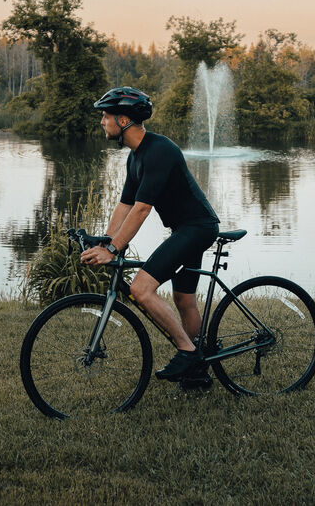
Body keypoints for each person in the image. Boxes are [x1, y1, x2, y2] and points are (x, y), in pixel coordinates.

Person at [79, 86, 221, 386]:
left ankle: (187, 351)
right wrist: (106, 240)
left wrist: (115, 250)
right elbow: (126, 205)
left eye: (106, 116)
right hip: (186, 228)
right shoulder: (136, 157)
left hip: (197, 227)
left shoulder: (159, 151)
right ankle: (198, 370)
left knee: (141, 289)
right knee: (184, 299)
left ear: (124, 121)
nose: (102, 122)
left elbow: (142, 209)